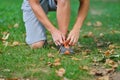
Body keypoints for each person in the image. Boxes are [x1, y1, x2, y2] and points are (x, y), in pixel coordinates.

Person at [21, 0, 89, 49]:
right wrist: (53, 31)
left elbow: (85, 2)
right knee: (37, 45)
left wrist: (76, 28)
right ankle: (55, 38)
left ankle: (63, 42)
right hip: (36, 2)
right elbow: (34, 3)